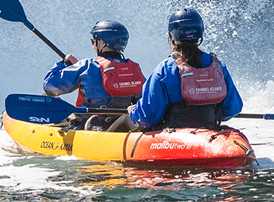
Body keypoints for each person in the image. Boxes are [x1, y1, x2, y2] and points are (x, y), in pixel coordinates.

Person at [107, 8, 243, 132]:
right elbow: (233, 108)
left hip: (172, 136)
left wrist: (133, 112)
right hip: (209, 129)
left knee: (127, 118)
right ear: (200, 33)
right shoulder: (218, 66)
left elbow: (149, 116)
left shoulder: (165, 69)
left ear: (171, 37)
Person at [42, 21, 145, 127]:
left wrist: (65, 64)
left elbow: (49, 86)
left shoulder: (88, 65)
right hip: (119, 126)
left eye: (93, 41)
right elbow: (144, 98)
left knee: (47, 96)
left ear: (102, 42)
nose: (93, 46)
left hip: (86, 126)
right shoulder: (134, 69)